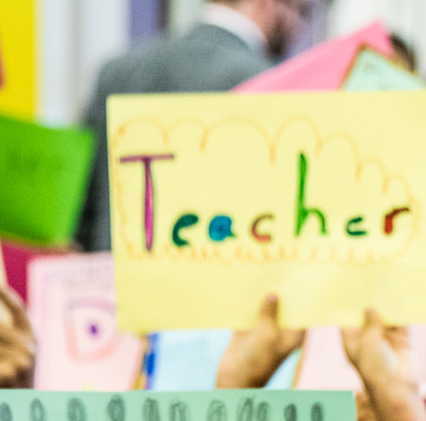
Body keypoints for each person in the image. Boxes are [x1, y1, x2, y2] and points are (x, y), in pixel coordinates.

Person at [76, 0, 312, 251]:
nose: (299, 28)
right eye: (301, 10)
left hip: (117, 281)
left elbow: (81, 207)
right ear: (267, 4)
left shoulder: (117, 72)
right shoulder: (270, 85)